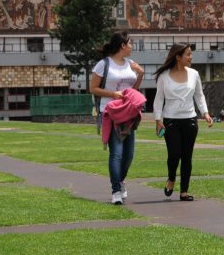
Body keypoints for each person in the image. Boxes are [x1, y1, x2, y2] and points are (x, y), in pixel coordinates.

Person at [89, 31, 145, 205]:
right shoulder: (103, 64)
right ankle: (116, 191)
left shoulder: (130, 64)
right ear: (122, 45)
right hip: (110, 112)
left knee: (129, 155)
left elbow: (133, 90)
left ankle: (120, 181)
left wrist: (140, 74)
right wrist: (113, 94)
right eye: (129, 43)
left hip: (129, 114)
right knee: (117, 154)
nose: (131, 47)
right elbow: (93, 88)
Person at [153, 43, 213, 201]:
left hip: (190, 120)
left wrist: (205, 113)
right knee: (174, 154)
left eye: (191, 54)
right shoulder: (164, 76)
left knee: (187, 156)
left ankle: (184, 191)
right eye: (188, 54)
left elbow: (199, 96)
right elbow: (158, 99)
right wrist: (158, 120)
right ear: (178, 57)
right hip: (170, 121)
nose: (191, 57)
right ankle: (171, 178)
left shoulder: (194, 74)